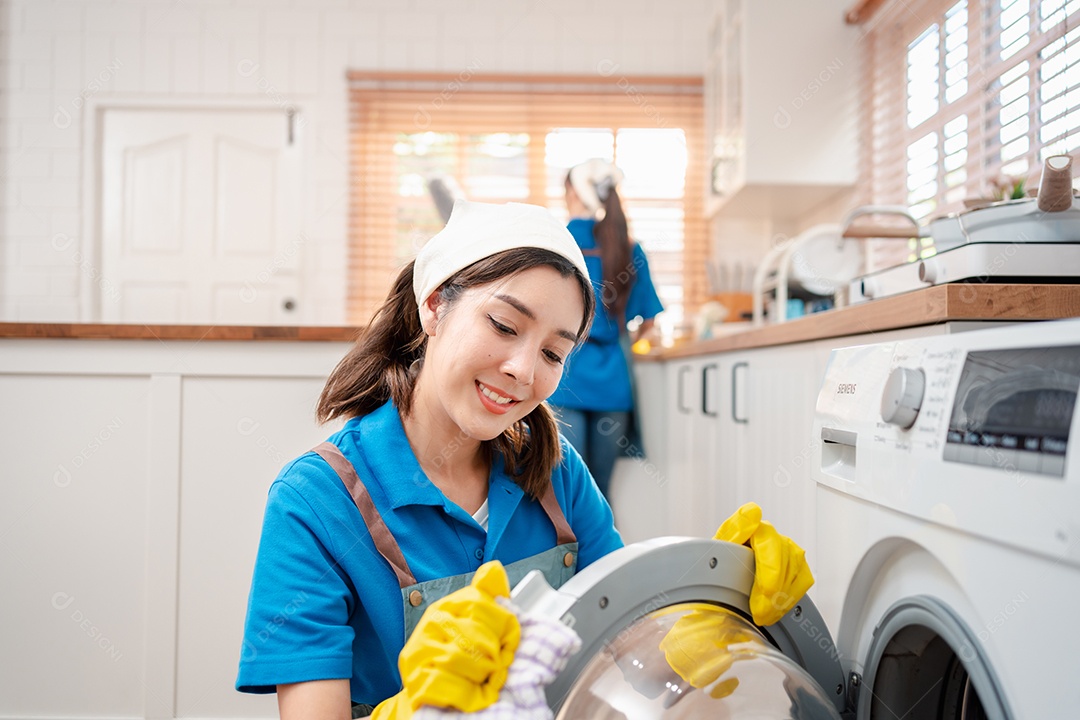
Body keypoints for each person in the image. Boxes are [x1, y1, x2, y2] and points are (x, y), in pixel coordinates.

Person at [235, 200, 812, 719]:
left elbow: (628, 656)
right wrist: (413, 711)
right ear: (434, 305)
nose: (523, 371)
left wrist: (719, 610)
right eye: (504, 325)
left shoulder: (558, 475)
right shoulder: (314, 503)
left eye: (553, 353)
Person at [547, 158, 664, 500]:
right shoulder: (628, 248)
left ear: (572, 192)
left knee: (564, 492)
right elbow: (650, 322)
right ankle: (606, 556)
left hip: (565, 379)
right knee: (599, 494)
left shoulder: (557, 242)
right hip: (613, 384)